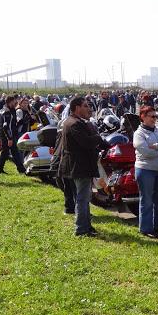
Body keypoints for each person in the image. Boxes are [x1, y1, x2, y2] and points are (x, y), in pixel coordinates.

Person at [58, 97, 109, 236]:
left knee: (85, 197)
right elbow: (86, 142)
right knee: (82, 198)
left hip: (81, 166)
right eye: (85, 106)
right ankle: (81, 229)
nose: (89, 108)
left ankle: (86, 226)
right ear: (76, 107)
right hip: (79, 166)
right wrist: (98, 137)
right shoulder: (74, 123)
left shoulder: (76, 122)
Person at [133, 106, 158, 238]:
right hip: (145, 170)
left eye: (156, 116)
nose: (155, 119)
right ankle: (146, 228)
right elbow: (146, 152)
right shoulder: (138, 133)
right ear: (143, 117)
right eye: (152, 116)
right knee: (146, 200)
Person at [0, 96, 26, 174]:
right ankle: (0, 169)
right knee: (6, 152)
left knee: (13, 152)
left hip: (10, 134)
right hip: (6, 135)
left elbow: (12, 124)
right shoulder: (6, 112)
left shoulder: (12, 110)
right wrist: (9, 138)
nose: (15, 102)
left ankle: (20, 169)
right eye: (14, 101)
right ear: (9, 102)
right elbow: (6, 127)